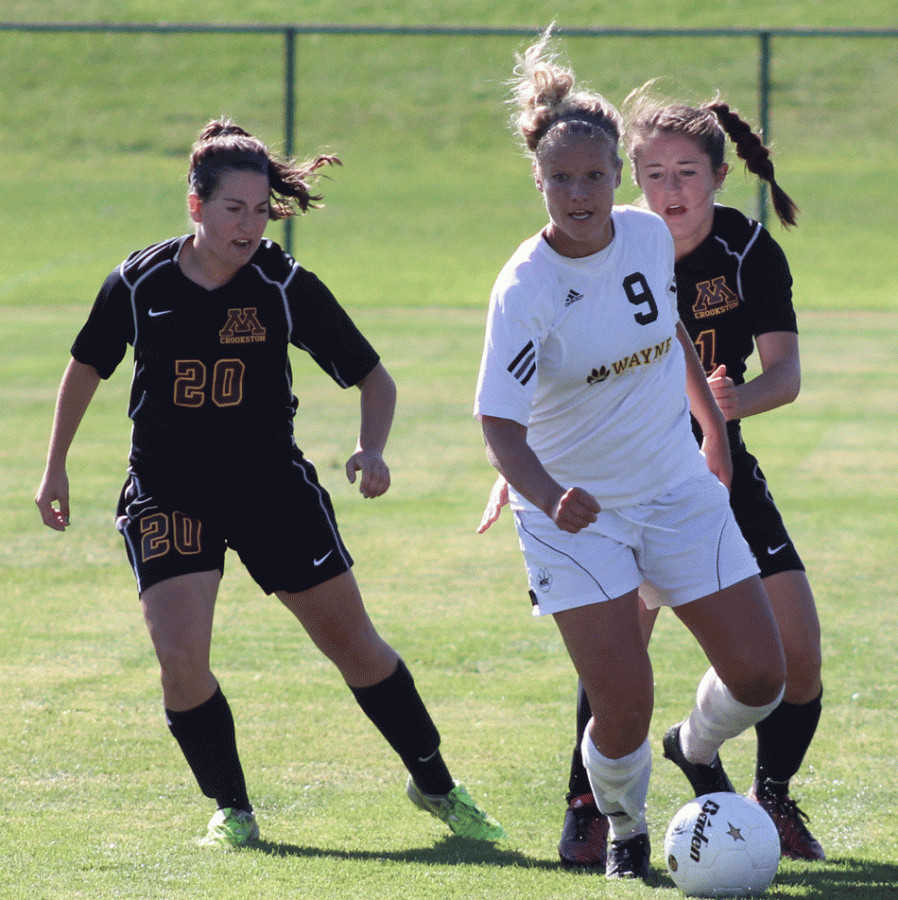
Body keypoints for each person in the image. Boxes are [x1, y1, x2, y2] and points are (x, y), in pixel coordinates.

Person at [35, 119, 505, 849]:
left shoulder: (283, 285)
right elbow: (86, 367)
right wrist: (55, 463)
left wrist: (370, 448)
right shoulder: (137, 283)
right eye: (233, 209)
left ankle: (437, 785)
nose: (249, 225)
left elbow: (373, 378)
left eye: (260, 210)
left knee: (355, 648)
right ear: (195, 205)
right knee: (180, 658)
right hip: (168, 490)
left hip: (271, 492)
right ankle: (233, 808)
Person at [473, 29, 785, 881]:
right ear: (538, 180)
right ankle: (625, 822)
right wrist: (546, 493)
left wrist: (713, 432)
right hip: (579, 519)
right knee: (621, 710)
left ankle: (696, 743)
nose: (578, 192)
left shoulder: (648, 239)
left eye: (594, 175)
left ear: (618, 174)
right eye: (561, 178)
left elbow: (671, 334)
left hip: (676, 488)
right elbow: (498, 424)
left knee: (762, 677)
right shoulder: (525, 289)